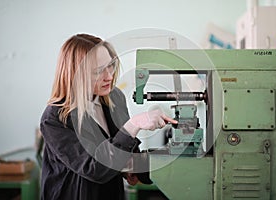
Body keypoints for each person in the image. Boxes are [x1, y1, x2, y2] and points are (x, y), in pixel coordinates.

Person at [40, 33, 177, 200]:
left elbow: (122, 153)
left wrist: (141, 167)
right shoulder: (56, 118)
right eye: (98, 71)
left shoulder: (114, 98)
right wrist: (133, 125)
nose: (109, 76)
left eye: (110, 65)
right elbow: (94, 168)